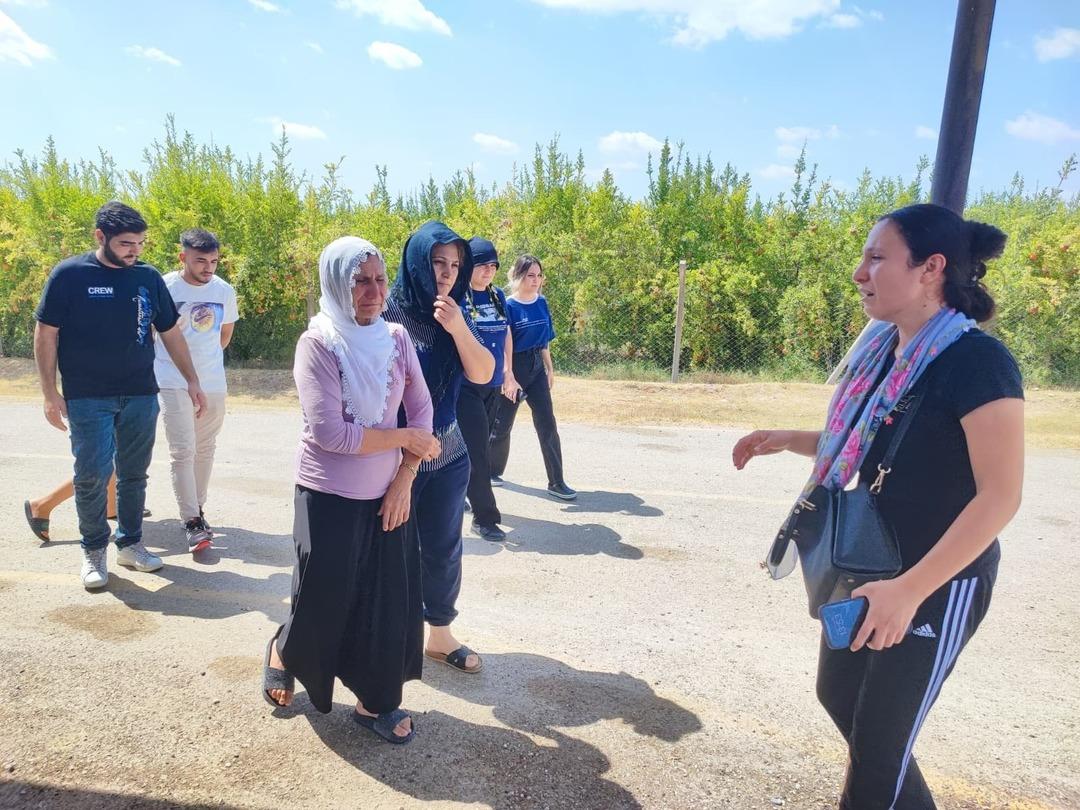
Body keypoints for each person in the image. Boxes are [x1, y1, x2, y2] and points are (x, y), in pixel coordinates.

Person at [732, 203, 1024, 809]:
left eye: (876, 258)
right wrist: (793, 439)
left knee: (878, 756)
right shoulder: (887, 352)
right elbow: (874, 442)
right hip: (865, 571)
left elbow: (1001, 495)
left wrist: (910, 589)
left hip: (936, 583)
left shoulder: (977, 362)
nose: (860, 273)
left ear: (930, 269)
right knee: (838, 696)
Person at [262, 236, 439, 745]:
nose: (373, 290)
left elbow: (422, 409)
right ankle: (282, 650)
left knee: (385, 602)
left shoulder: (398, 338)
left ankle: (375, 702)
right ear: (338, 284)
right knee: (324, 599)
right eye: (360, 280)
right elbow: (332, 435)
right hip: (328, 495)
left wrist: (404, 476)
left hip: (388, 492)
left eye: (380, 280)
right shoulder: (317, 344)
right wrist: (406, 438)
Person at [34, 201, 206, 590]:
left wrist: (192, 380)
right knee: (92, 474)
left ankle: (130, 544)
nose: (135, 251)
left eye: (140, 243)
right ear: (100, 237)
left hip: (141, 393)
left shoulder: (146, 278)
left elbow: (171, 332)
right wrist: (49, 393)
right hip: (87, 396)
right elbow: (46, 335)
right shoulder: (69, 275)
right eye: (127, 243)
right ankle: (94, 550)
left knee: (133, 475)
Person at [383, 221, 495, 674]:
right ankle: (388, 637)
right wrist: (407, 448)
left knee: (444, 547)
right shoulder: (387, 315)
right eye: (438, 262)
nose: (448, 273)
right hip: (394, 456)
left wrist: (458, 327)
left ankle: (440, 636)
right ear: (416, 261)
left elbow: (484, 372)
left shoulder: (455, 310)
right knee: (389, 550)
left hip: (448, 452)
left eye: (456, 265)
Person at [154, 228, 239, 553]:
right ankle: (191, 521)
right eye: (201, 261)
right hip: (172, 381)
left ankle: (198, 511)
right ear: (182, 257)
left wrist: (206, 368)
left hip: (213, 383)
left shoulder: (224, 291)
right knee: (182, 451)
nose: (209, 268)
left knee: (205, 449)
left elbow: (224, 334)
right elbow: (151, 333)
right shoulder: (164, 287)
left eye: (214, 261)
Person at [489, 254, 576, 501]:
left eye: (539, 275)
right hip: (514, 367)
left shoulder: (542, 302)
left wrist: (550, 368)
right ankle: (491, 472)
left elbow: (545, 340)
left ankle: (556, 482)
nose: (536, 280)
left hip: (536, 366)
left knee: (547, 423)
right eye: (530, 275)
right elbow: (504, 342)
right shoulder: (509, 305)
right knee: (502, 425)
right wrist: (508, 375)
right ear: (518, 276)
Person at [456, 237, 511, 541]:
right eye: (482, 265)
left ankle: (463, 489)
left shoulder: (497, 296)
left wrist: (509, 372)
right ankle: (485, 518)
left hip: (493, 384)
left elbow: (506, 334)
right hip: (466, 385)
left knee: (479, 447)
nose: (489, 270)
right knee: (478, 451)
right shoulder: (459, 297)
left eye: (493, 265)